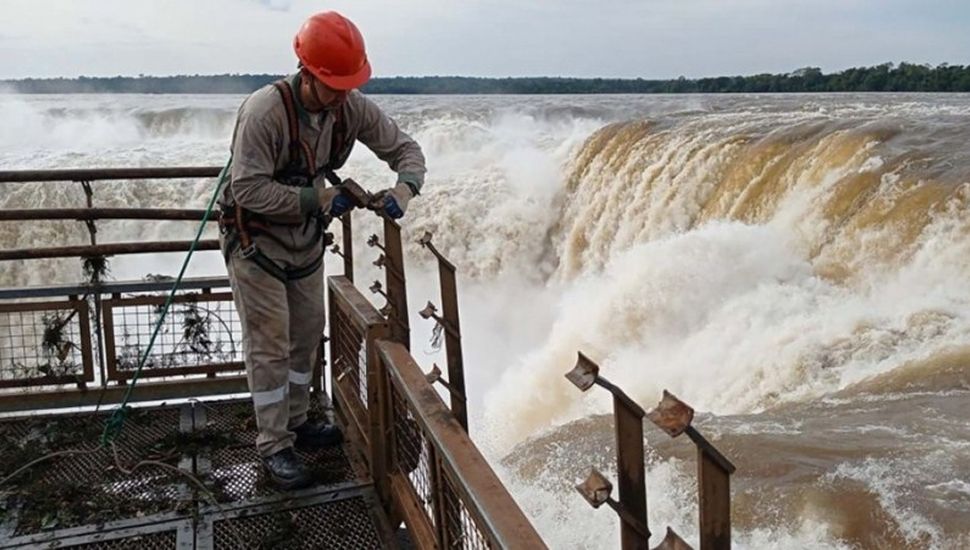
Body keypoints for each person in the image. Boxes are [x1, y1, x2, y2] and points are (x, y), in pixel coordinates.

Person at [219, 11, 426, 490]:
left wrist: (405, 188)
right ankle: (274, 445)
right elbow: (247, 189)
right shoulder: (263, 112)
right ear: (307, 72)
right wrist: (320, 199)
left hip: (304, 241)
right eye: (333, 84)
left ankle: (297, 422)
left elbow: (406, 150)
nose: (340, 95)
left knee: (308, 331)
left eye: (347, 85)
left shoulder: (350, 107)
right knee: (269, 342)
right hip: (256, 243)